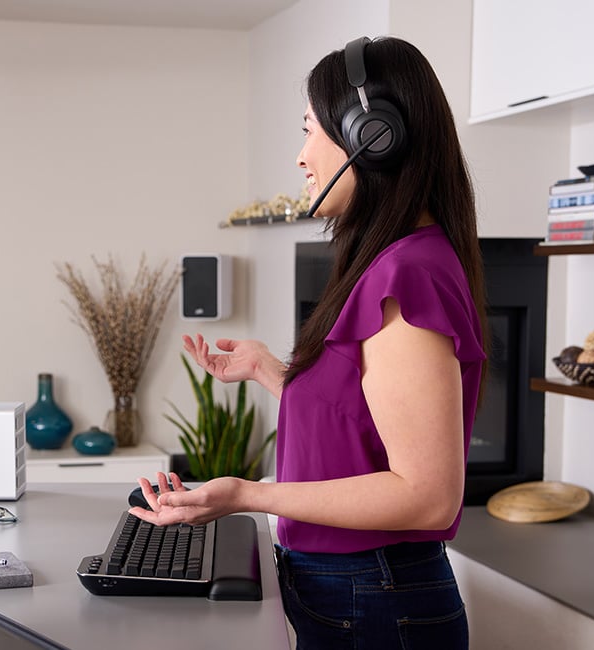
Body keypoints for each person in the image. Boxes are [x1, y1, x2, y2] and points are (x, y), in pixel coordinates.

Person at [130, 36, 487, 650]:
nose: (301, 157)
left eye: (309, 131)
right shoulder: (391, 262)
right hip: (355, 590)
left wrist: (246, 494)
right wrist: (275, 371)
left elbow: (426, 496)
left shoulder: (407, 275)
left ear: (373, 136)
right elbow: (366, 421)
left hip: (375, 596)